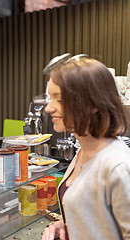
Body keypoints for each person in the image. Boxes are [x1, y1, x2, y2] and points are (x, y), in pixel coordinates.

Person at [41, 57, 130, 240]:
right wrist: (67, 224)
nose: (48, 108)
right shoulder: (83, 151)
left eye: (59, 99)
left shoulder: (118, 166)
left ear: (94, 104)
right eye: (50, 98)